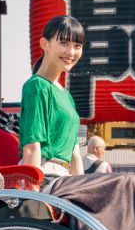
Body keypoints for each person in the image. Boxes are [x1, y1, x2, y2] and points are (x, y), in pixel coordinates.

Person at [20, 15, 86, 178]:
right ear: (45, 44)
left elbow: (75, 154)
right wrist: (32, 195)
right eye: (63, 43)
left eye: (77, 46)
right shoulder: (37, 86)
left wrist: (83, 188)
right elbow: (32, 147)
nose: (71, 52)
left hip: (65, 178)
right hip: (45, 173)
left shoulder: (66, 96)